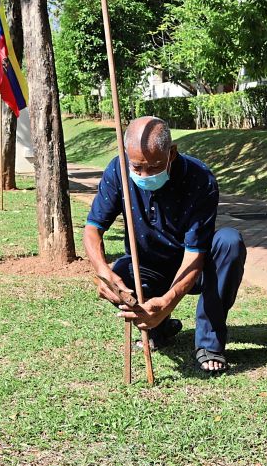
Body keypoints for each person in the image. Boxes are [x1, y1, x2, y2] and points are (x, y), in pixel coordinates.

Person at [83, 116, 246, 374]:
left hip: (196, 267)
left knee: (229, 242)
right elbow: (93, 229)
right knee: (121, 275)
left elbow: (195, 254)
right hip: (146, 266)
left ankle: (209, 344)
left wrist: (168, 302)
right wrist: (103, 273)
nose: (144, 175)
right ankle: (157, 328)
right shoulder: (118, 170)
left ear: (172, 153)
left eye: (154, 167)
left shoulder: (200, 179)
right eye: (137, 167)